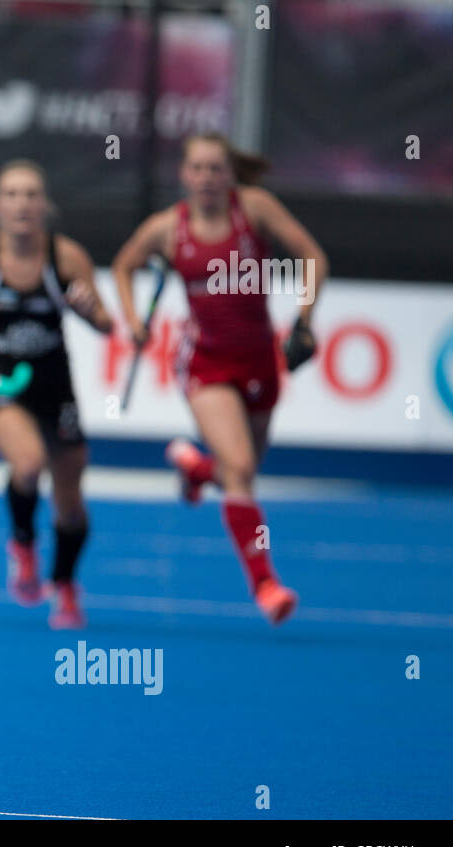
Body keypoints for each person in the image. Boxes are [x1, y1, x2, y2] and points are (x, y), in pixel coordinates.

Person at [111, 133, 326, 624]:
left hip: (259, 362)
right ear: (183, 175)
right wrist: (135, 322)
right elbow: (124, 264)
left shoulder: (255, 211)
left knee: (241, 471)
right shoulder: (168, 230)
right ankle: (266, 585)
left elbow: (313, 257)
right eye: (197, 169)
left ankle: (193, 468)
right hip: (205, 363)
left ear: (229, 174)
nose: (206, 178)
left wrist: (305, 318)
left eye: (215, 169)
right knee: (242, 470)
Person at [0, 159, 114, 629]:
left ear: (45, 206)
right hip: (1, 388)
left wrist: (89, 313)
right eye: (11, 194)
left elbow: (107, 325)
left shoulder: (66, 259)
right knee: (28, 463)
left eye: (31, 194)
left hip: (57, 391)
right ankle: (23, 543)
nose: (22, 204)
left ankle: (66, 586)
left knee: (70, 503)